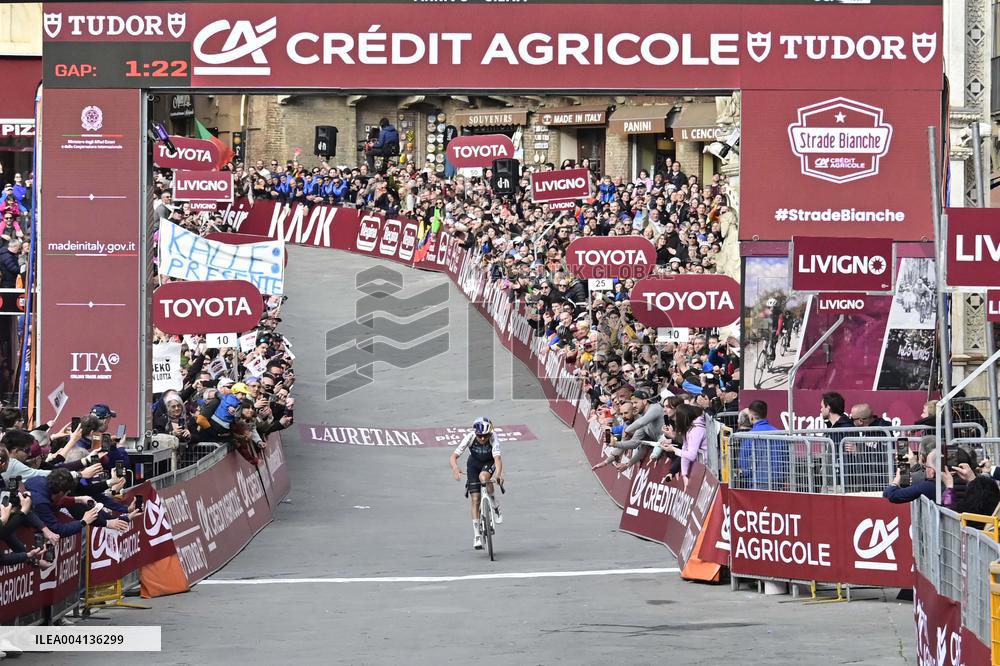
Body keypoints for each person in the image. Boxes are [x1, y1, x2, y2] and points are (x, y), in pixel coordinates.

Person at [449, 417, 504, 550]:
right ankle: (477, 536)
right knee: (475, 499)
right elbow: (453, 456)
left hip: (488, 462)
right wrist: (455, 467)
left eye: (485, 436)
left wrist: (498, 475)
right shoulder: (470, 437)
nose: (483, 439)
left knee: (484, 477)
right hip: (473, 464)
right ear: (476, 433)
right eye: (480, 436)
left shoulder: (493, 438)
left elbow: (497, 458)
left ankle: (494, 504)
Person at [737, 400, 787, 490]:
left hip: (756, 484)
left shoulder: (748, 436)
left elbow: (744, 465)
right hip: (777, 484)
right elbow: (786, 461)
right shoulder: (780, 434)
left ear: (751, 417)